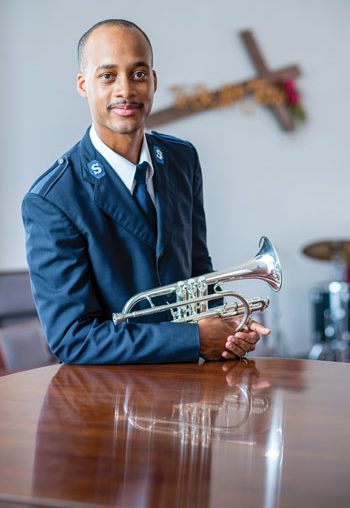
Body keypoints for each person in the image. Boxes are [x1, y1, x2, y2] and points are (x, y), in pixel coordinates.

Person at [22, 19, 270, 365]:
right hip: (109, 402)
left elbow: (197, 267)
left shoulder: (183, 159)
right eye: (108, 76)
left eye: (138, 74)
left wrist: (225, 329)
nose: (125, 90)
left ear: (153, 81)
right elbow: (72, 339)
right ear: (84, 85)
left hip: (190, 386)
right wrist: (195, 339)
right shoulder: (52, 199)